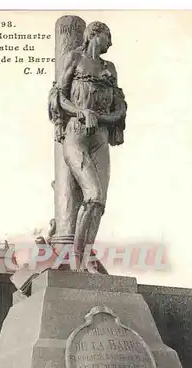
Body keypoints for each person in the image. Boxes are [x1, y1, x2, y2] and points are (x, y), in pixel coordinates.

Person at [49, 21, 127, 270]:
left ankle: (84, 259)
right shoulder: (74, 58)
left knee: (100, 203)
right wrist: (82, 112)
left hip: (100, 139)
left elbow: (118, 106)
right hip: (76, 136)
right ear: (95, 34)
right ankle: (77, 262)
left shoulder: (110, 68)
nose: (111, 43)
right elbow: (59, 96)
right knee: (92, 195)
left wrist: (105, 116)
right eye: (108, 36)